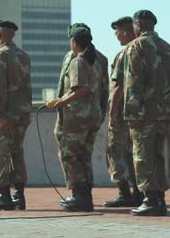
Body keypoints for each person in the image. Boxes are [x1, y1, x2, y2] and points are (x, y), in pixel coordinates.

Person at [124, 10, 170, 216]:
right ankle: (160, 199)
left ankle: (150, 199)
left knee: (143, 156)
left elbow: (133, 83)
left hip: (144, 112)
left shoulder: (136, 46)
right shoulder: (166, 47)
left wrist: (131, 112)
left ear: (138, 25)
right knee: (157, 155)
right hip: (164, 111)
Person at [51, 24, 105, 212]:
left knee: (70, 155)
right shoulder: (97, 60)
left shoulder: (78, 61)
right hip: (91, 116)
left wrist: (61, 101)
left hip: (76, 119)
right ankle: (85, 196)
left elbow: (81, 88)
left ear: (74, 42)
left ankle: (78, 196)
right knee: (84, 156)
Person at [0, 20, 32, 211]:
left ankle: (4, 197)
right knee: (17, 153)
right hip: (21, 115)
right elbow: (28, 87)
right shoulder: (24, 56)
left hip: (4, 115)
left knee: (0, 154)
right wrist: (26, 113)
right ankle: (19, 196)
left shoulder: (1, 55)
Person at [103, 16, 143, 207]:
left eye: (117, 31)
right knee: (133, 153)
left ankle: (124, 192)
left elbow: (118, 86)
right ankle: (138, 192)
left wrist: (111, 114)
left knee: (115, 151)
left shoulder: (124, 53)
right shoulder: (145, 51)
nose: (116, 35)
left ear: (125, 31)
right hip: (139, 113)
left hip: (121, 114)